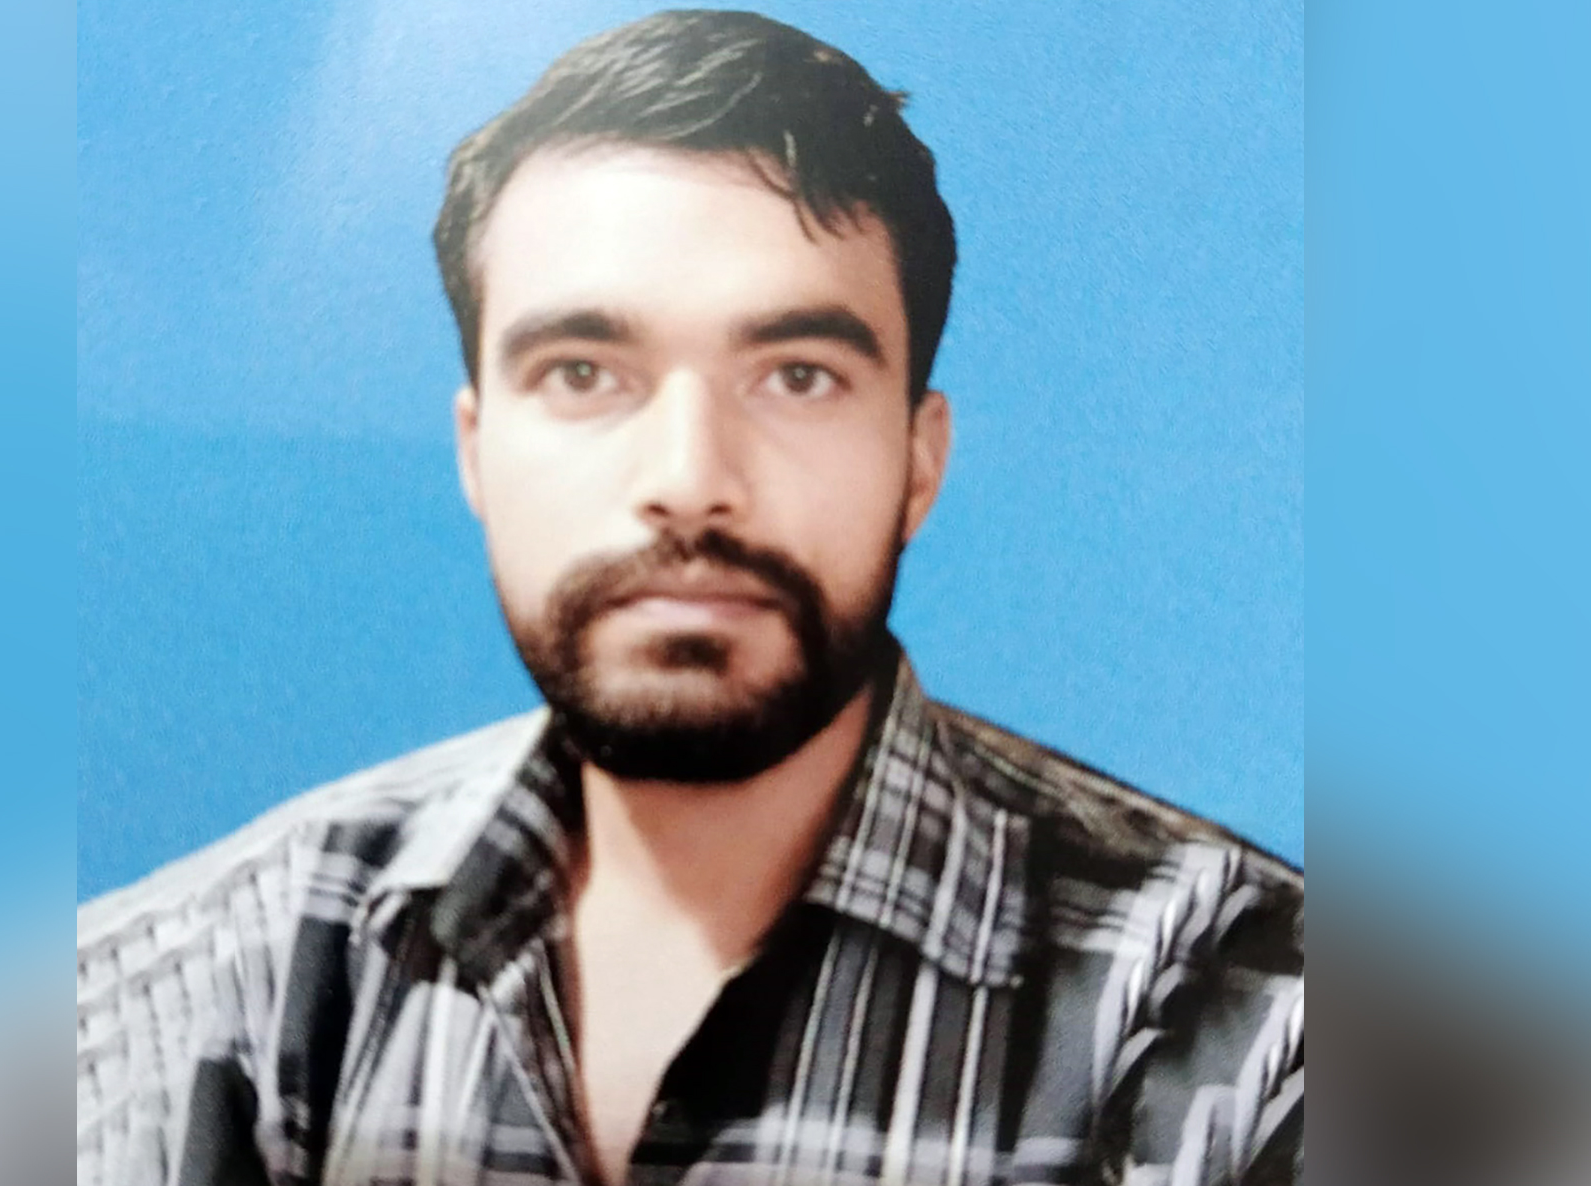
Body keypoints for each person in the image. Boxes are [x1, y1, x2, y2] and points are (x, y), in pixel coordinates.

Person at [77, 11, 1302, 1186]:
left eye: (797, 376)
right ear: (475, 449)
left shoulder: (1252, 1026)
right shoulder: (185, 994)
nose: (688, 478)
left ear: (918, 461)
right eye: (583, 372)